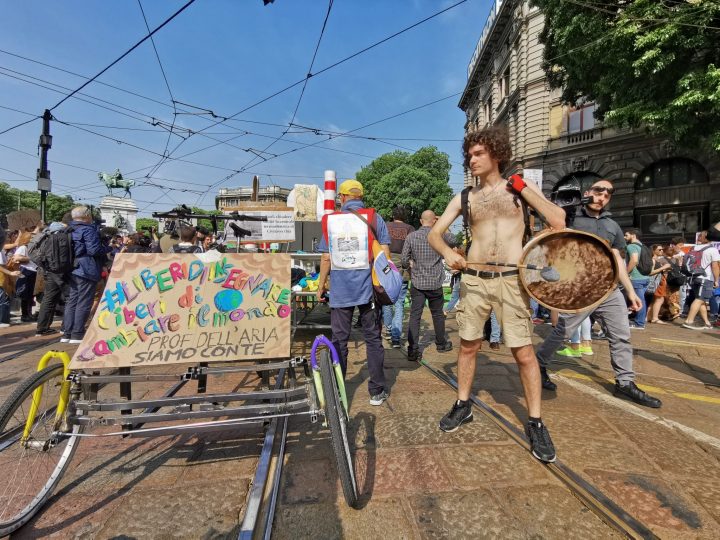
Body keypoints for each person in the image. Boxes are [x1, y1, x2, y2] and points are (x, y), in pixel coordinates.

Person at [428, 126, 566, 463]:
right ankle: (463, 404)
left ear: (496, 154)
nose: (472, 160)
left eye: (479, 154)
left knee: (524, 352)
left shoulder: (519, 187)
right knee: (468, 346)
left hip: (511, 281)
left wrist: (523, 188)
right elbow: (434, 233)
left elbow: (558, 220)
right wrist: (448, 253)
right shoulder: (465, 197)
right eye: (469, 155)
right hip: (474, 280)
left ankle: (535, 421)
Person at [536, 179, 662, 408]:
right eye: (598, 191)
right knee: (564, 331)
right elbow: (547, 240)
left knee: (621, 335)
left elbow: (618, 259)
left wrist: (630, 292)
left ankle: (625, 383)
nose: (602, 197)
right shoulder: (569, 217)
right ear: (588, 192)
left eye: (607, 194)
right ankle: (538, 364)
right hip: (579, 289)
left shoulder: (612, 226)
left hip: (608, 289)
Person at [316, 179, 391, 406]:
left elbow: (326, 257)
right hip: (369, 290)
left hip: (340, 291)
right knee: (373, 339)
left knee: (339, 340)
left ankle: (338, 392)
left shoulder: (332, 221)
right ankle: (376, 391)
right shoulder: (374, 218)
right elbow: (385, 253)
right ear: (361, 197)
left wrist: (321, 285)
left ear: (342, 197)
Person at [402, 210, 456, 361]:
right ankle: (441, 343)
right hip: (435, 282)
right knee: (437, 314)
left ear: (421, 221)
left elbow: (404, 260)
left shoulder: (411, 236)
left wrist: (411, 268)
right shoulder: (439, 236)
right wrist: (443, 223)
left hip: (418, 282)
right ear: (434, 221)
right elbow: (454, 241)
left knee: (415, 316)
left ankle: (413, 350)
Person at [61, 206, 111, 344]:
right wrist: (108, 248)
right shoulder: (88, 229)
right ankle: (77, 334)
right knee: (84, 301)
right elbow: (93, 250)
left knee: (72, 301)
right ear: (87, 216)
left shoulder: (68, 229)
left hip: (71, 268)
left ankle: (67, 333)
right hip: (86, 268)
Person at [382, 206, 415, 348]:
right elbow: (412, 249)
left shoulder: (385, 226)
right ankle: (396, 338)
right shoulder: (410, 228)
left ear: (393, 215)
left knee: (386, 301)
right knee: (399, 303)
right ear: (405, 216)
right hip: (403, 268)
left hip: (387, 267)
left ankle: (389, 329)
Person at [34, 221, 71, 336]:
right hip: (64, 272)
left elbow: (39, 257)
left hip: (50, 272)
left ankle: (42, 328)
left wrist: (46, 268)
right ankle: (66, 327)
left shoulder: (46, 238)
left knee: (48, 299)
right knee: (70, 298)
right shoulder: (65, 237)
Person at [681, 230, 720, 330]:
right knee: (700, 299)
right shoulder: (713, 250)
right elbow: (715, 266)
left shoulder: (693, 248)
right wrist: (716, 280)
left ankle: (706, 323)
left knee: (701, 300)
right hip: (705, 278)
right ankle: (689, 321)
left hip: (693, 276)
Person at [623, 228, 651, 329]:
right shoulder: (643, 246)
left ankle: (639, 323)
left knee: (639, 300)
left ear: (633, 235)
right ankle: (639, 320)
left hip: (636, 277)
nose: (624, 237)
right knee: (641, 299)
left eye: (626, 235)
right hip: (645, 277)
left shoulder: (631, 246)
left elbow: (634, 260)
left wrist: (625, 272)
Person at [11, 230, 39, 322]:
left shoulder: (30, 247)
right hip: (27, 271)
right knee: (25, 294)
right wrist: (29, 258)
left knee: (30, 294)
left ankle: (29, 314)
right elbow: (16, 257)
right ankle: (25, 315)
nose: (33, 239)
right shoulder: (23, 247)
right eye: (31, 237)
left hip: (32, 271)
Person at [647, 244, 673, 324]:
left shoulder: (657, 259)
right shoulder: (653, 259)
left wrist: (665, 269)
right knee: (659, 299)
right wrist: (663, 267)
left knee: (654, 300)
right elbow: (651, 272)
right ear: (653, 251)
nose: (661, 251)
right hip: (657, 282)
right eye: (659, 250)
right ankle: (654, 318)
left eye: (662, 249)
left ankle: (649, 317)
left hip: (660, 281)